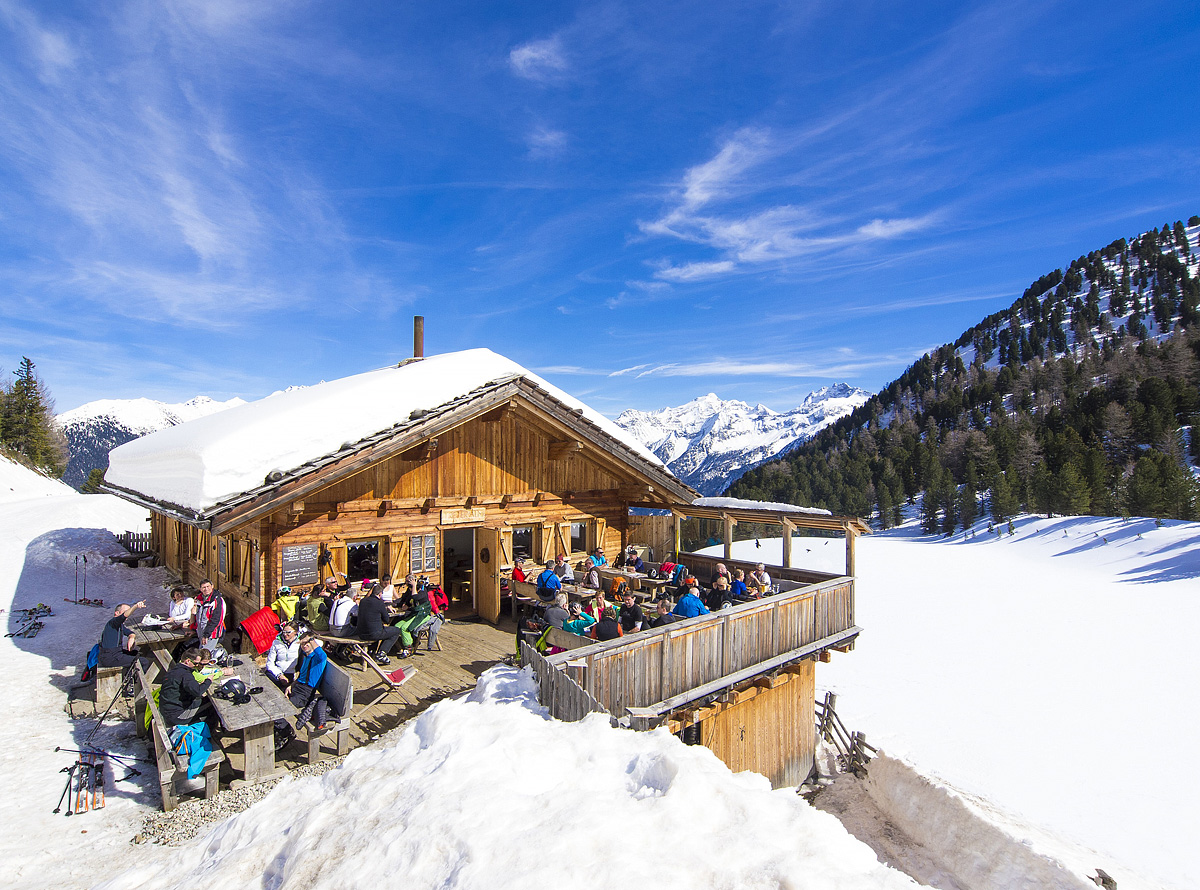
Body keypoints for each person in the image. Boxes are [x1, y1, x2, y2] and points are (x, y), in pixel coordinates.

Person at [274, 633, 330, 749]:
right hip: (297, 687)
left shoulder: (318, 659)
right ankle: (278, 730)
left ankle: (286, 731)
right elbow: (301, 677)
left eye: (306, 643)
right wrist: (291, 686)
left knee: (278, 710)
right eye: (302, 644)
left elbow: (322, 655)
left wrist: (311, 639)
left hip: (306, 693)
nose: (304, 646)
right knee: (273, 701)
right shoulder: (306, 656)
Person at [159, 647, 232, 727]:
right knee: (213, 707)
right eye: (196, 663)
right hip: (178, 716)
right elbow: (198, 691)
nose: (196, 666)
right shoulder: (186, 675)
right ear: (188, 661)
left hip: (166, 710)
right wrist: (208, 681)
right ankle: (204, 732)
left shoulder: (174, 670)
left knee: (205, 700)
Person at [355, 583, 403, 664]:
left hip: (361, 633)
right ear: (380, 594)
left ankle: (372, 652)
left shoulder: (363, 601)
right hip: (373, 634)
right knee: (396, 631)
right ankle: (382, 653)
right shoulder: (379, 603)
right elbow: (386, 620)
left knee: (376, 628)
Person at [98, 601, 147, 668]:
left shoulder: (119, 625)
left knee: (137, 653)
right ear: (117, 613)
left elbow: (129, 632)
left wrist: (131, 637)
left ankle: (131, 673)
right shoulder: (113, 622)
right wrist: (135, 606)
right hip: (110, 657)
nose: (128, 614)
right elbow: (124, 616)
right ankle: (135, 674)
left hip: (115, 653)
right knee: (144, 662)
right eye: (126, 611)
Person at [264, 622, 300, 689]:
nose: (285, 634)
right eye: (284, 632)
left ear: (295, 632)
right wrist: (279, 675)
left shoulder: (300, 643)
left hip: (292, 673)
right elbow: (270, 663)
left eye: (288, 632)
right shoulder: (276, 642)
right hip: (278, 672)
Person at [194, 580, 227, 653]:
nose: (206, 589)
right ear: (200, 589)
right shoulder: (200, 599)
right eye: (204, 587)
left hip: (211, 634)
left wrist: (206, 635)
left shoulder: (216, 600)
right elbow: (198, 617)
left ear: (212, 586)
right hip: (201, 632)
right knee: (202, 653)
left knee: (204, 654)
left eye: (208, 586)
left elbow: (216, 619)